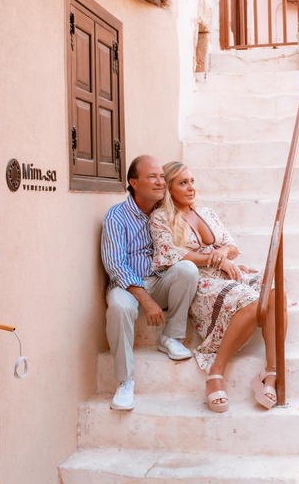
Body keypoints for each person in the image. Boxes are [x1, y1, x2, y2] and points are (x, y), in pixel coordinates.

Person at [149, 161, 279, 413]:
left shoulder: (206, 213)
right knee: (252, 302)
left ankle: (270, 373)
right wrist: (217, 258)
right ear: (169, 189)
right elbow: (172, 255)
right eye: (183, 183)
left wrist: (222, 254)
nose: (191, 188)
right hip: (198, 280)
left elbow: (232, 245)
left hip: (226, 271)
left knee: (275, 292)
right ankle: (215, 373)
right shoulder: (160, 218)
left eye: (192, 181)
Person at [101, 155, 197, 411]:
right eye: (152, 177)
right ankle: (125, 382)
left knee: (187, 269)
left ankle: (171, 337)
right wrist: (146, 299)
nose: (160, 182)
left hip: (158, 281)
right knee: (120, 308)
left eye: (162, 177)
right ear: (133, 182)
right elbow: (115, 266)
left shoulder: (163, 213)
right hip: (125, 287)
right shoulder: (116, 216)